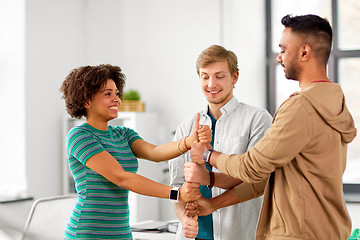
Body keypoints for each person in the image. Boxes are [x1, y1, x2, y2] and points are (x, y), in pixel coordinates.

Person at [189, 14, 357, 240]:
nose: (279, 57)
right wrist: (212, 198)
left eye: (284, 49)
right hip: (328, 229)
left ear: (304, 52)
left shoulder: (301, 107)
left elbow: (252, 166)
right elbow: (264, 180)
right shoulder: (333, 102)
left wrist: (208, 155)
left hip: (298, 233)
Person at [59, 64, 212, 240]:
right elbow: (122, 178)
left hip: (121, 232)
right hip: (87, 233)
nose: (116, 99)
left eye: (116, 93)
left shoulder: (123, 134)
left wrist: (188, 142)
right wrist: (176, 193)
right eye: (107, 94)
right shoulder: (79, 136)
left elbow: (155, 152)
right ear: (87, 101)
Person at [168, 45, 272, 240]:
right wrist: (184, 220)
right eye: (205, 76)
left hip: (239, 234)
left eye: (219, 76)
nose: (211, 84)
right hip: (193, 236)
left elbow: (255, 179)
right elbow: (175, 187)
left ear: (235, 77)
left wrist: (207, 177)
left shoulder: (258, 119)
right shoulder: (186, 128)